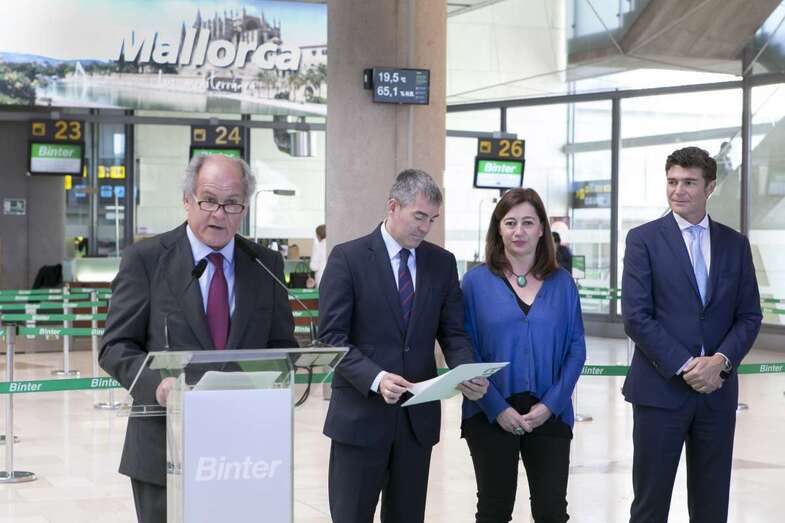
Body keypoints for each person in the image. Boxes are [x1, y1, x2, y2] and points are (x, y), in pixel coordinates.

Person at [99, 154, 297, 523]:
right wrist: (159, 386)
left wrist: (271, 377)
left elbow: (280, 347)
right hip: (164, 444)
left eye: (232, 203)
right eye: (208, 200)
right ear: (187, 199)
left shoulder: (265, 265)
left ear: (245, 208)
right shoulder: (146, 259)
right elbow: (115, 346)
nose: (219, 214)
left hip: (245, 453)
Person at [319, 168, 489, 523]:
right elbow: (332, 339)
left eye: (433, 219)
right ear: (393, 207)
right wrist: (376, 377)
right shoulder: (347, 259)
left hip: (416, 422)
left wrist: (466, 369)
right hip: (360, 420)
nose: (426, 227)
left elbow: (453, 332)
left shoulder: (441, 263)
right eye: (419, 217)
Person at [622, 146, 762, 522]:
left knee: (712, 504)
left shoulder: (735, 244)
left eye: (688, 182)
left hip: (716, 395)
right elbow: (636, 316)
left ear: (710, 186)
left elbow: (749, 316)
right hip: (659, 392)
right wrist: (687, 366)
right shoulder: (643, 240)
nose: (677, 191)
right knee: (650, 504)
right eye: (671, 182)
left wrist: (720, 362)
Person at [461, 188, 586, 523]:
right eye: (510, 222)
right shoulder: (474, 283)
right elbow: (465, 348)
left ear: (542, 228)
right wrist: (497, 408)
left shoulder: (562, 284)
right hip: (489, 411)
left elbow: (576, 349)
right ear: (498, 229)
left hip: (551, 412)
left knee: (551, 511)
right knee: (493, 508)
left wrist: (550, 406)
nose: (519, 231)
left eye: (528, 222)